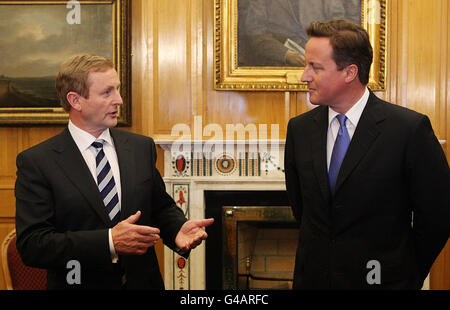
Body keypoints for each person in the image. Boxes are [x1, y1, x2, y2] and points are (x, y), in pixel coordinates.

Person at [14, 54, 214, 289]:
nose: (119, 100)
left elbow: (159, 207)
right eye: (107, 92)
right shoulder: (38, 162)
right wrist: (109, 241)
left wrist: (178, 228)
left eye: (117, 90)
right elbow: (33, 244)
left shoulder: (140, 147)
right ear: (75, 101)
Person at [284, 19, 450, 289]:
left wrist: (405, 276)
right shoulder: (300, 129)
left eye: (315, 67)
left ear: (350, 73)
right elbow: (302, 210)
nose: (304, 76)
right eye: (306, 65)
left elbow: (438, 216)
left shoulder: (408, 130)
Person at [241, 0, 349, 66]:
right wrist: (286, 55)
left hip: (321, 63)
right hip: (278, 65)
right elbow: (255, 33)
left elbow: (338, 27)